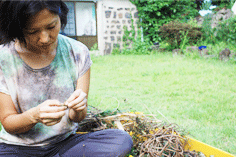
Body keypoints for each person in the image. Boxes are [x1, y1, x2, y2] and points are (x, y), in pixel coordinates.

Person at [0, 1, 133, 156]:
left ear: (60, 18)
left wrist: (79, 107)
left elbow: (77, 118)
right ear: (18, 28)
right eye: (32, 31)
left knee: (120, 140)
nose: (44, 38)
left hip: (65, 144)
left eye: (51, 27)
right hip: (17, 148)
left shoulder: (77, 52)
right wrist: (34, 115)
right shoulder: (4, 58)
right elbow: (9, 123)